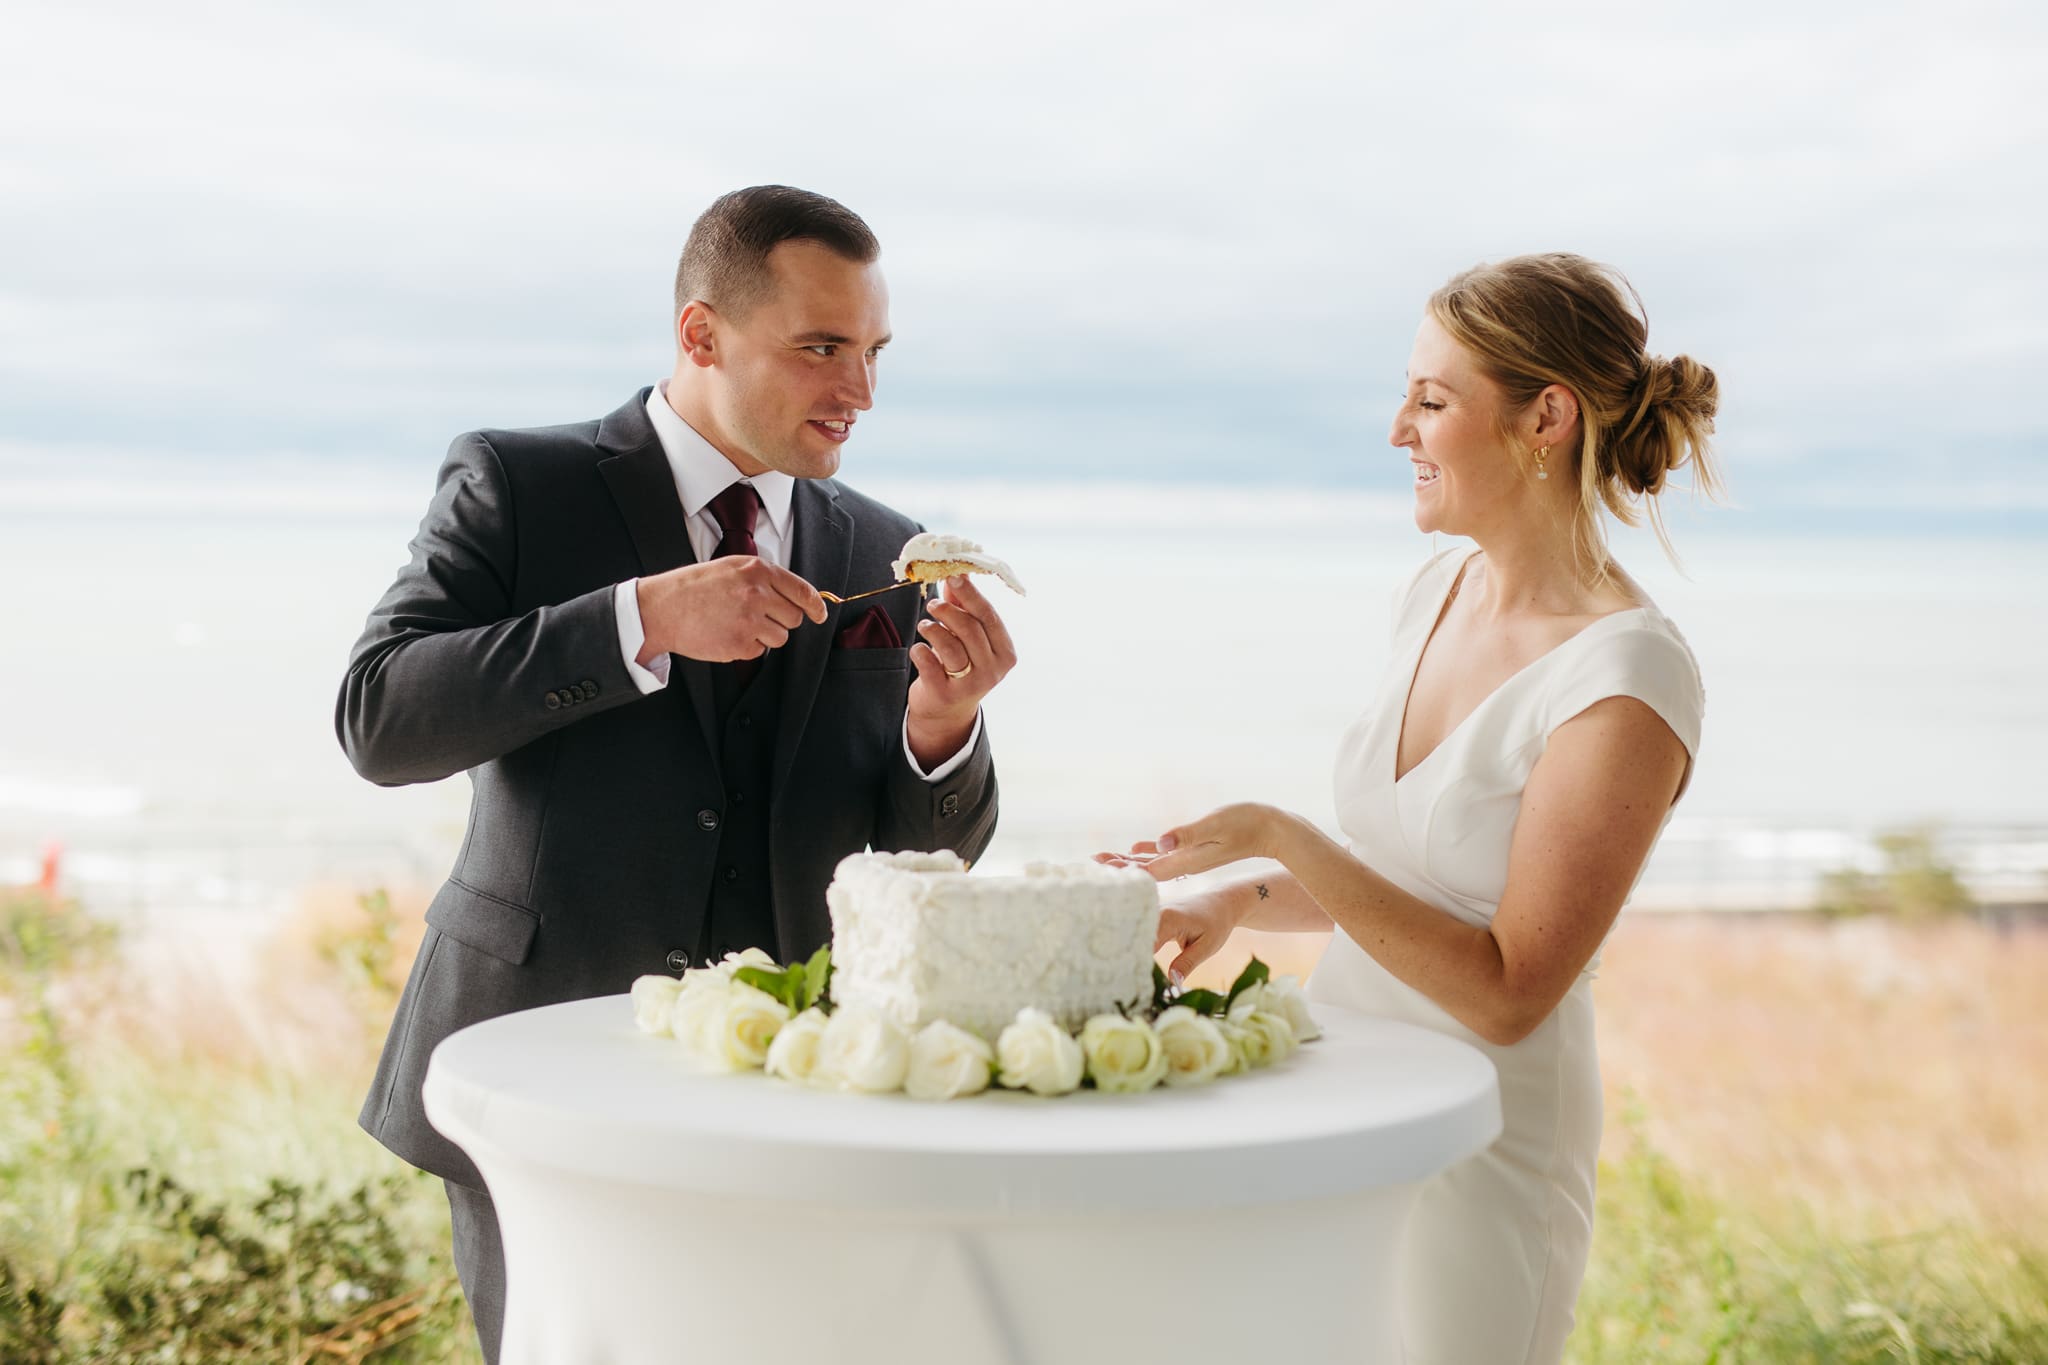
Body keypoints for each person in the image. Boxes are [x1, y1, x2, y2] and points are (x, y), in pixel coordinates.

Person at [336, 185, 1010, 1362]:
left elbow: (924, 866)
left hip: (797, 1083)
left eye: (871, 351)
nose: (859, 392)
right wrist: (632, 620)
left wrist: (941, 730)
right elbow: (380, 719)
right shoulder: (518, 482)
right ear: (700, 335)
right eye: (820, 348)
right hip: (546, 1061)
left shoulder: (881, 544)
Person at [1103, 253, 1718, 1365]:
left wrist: (1278, 834)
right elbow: (1408, 878)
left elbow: (1504, 992)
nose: (1398, 430)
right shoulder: (1435, 591)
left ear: (1546, 417)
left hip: (1482, 1152)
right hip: (1347, 1103)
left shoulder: (1623, 678)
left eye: (1430, 401)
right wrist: (1238, 895)